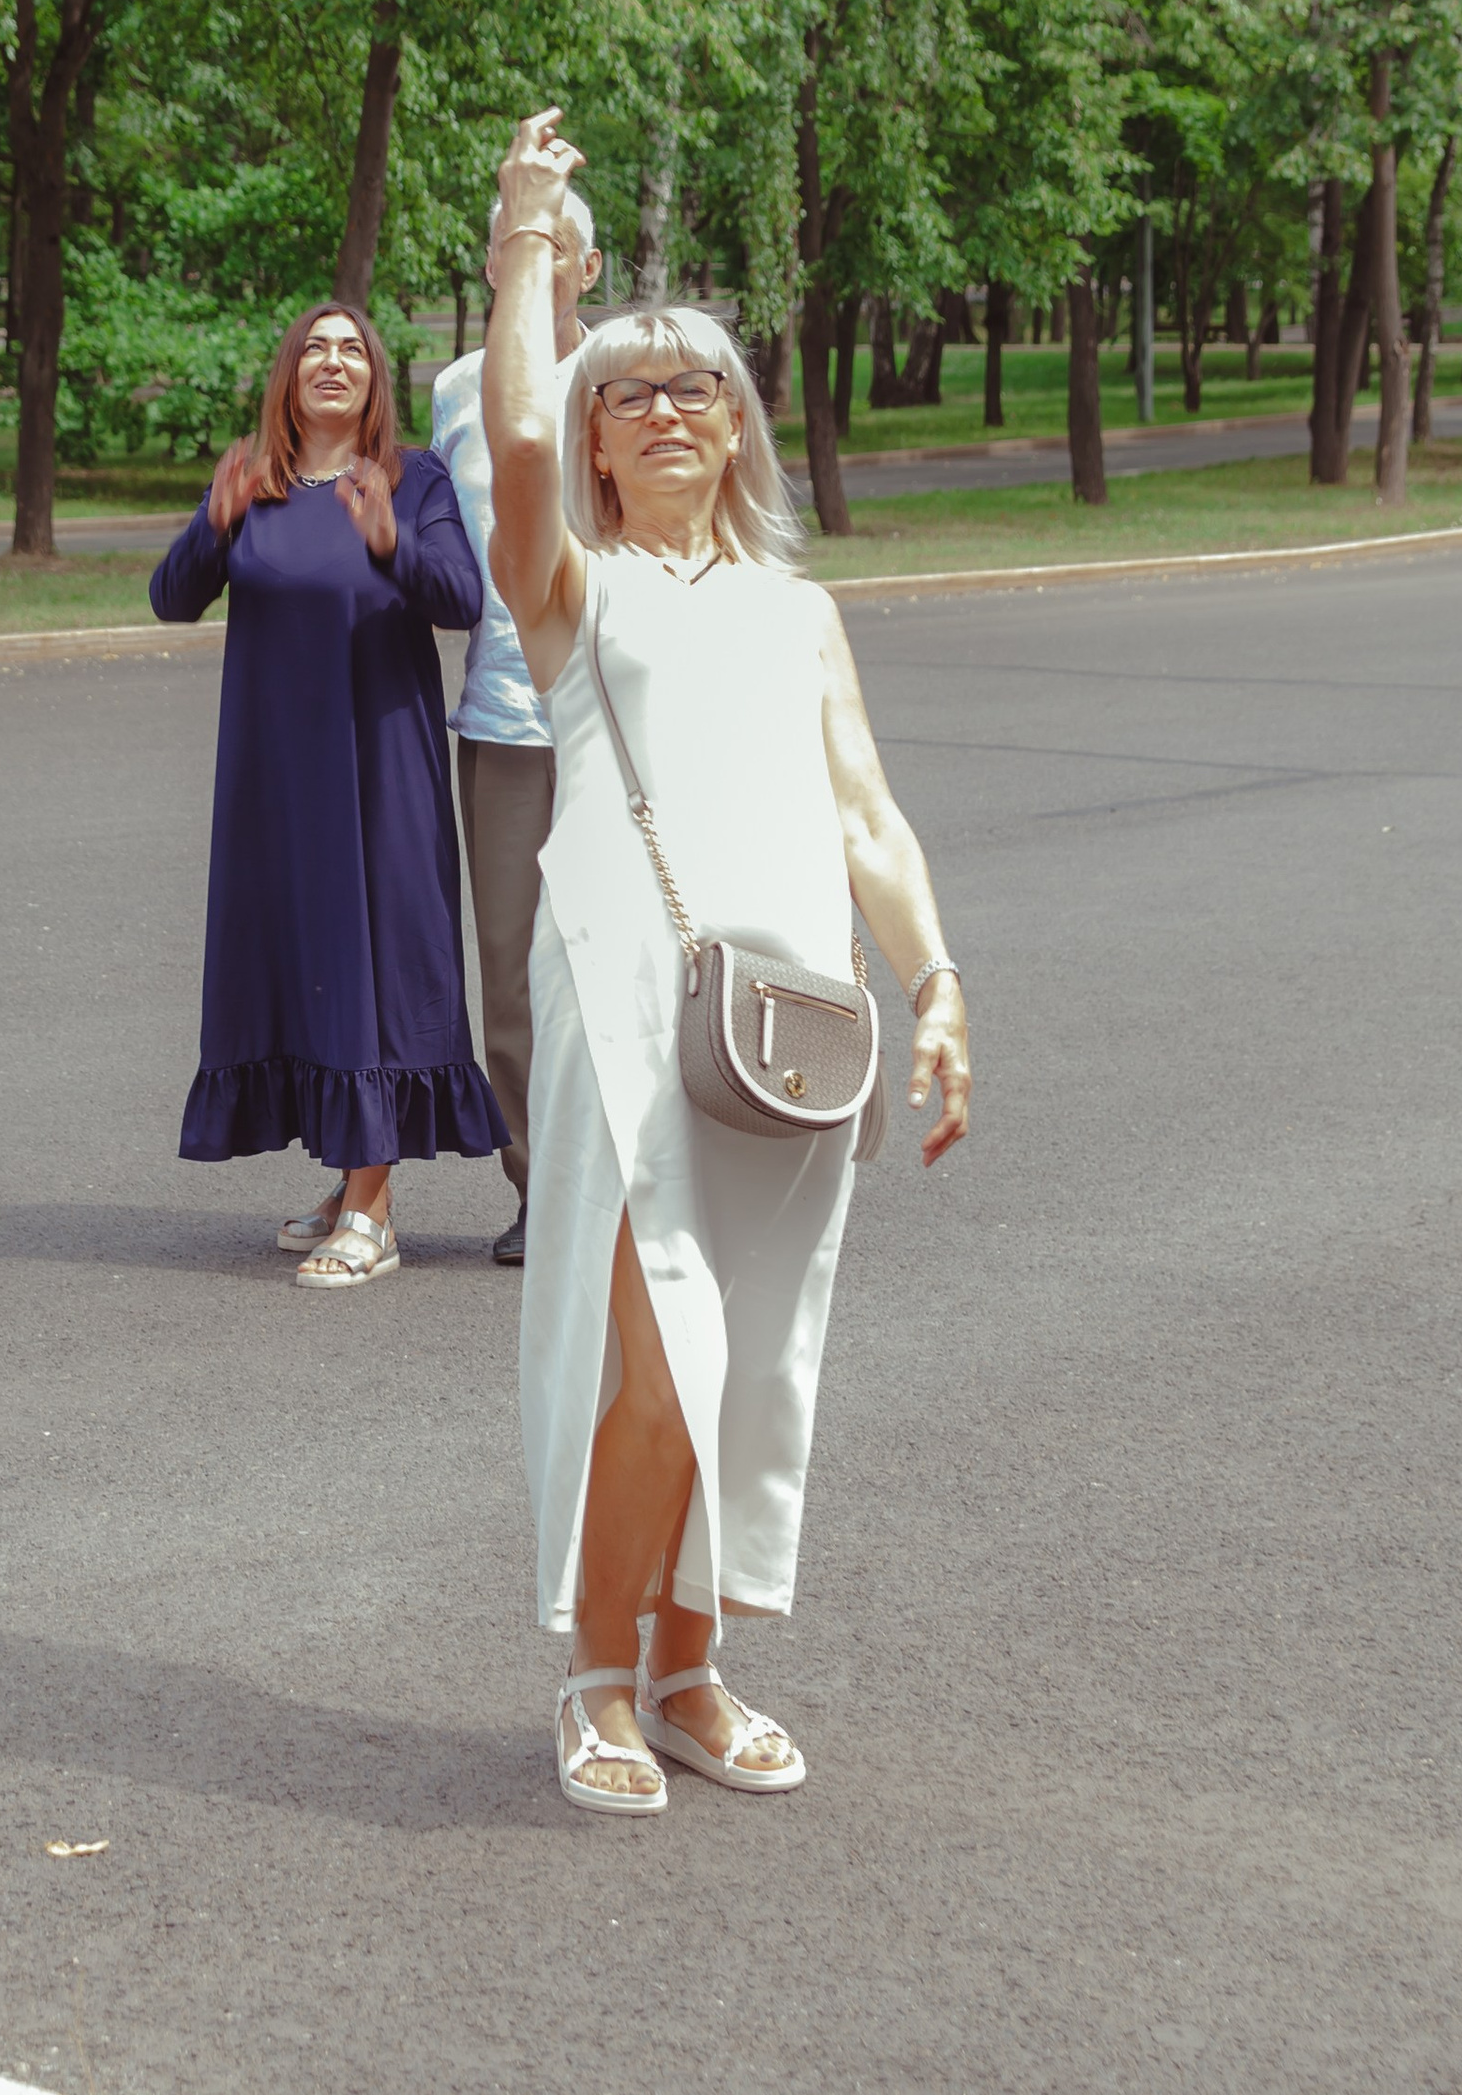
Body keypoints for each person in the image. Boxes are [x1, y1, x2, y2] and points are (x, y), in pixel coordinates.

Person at [480, 108, 972, 1815]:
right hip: (629, 1014)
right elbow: (518, 439)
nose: (670, 410)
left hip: (788, 1030)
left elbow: (867, 820)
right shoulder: (572, 592)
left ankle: (691, 1665)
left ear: (741, 428)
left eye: (702, 389)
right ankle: (598, 1677)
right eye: (636, 393)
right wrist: (526, 246)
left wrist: (939, 982)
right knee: (650, 1355)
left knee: (751, 1349)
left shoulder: (794, 606)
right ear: (602, 443)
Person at [150, 301, 507, 1288]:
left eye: (353, 350)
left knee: (377, 964)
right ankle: (343, 1179)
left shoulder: (411, 476)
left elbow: (460, 598)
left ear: (374, 379)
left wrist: (392, 541)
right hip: (274, 775)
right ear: (288, 374)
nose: (333, 362)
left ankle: (374, 1206)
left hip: (378, 765)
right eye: (315, 347)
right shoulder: (252, 482)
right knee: (302, 964)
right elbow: (172, 597)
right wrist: (212, 520)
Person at [429, 189, 602, 1266]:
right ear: (493, 271)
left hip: (620, 714)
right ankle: (543, 1185)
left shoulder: (632, 373)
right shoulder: (456, 389)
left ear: (585, 270)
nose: (531, 272)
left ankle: (647, 1181)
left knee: (631, 957)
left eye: (551, 254)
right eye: (510, 255)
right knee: (511, 971)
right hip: (501, 721)